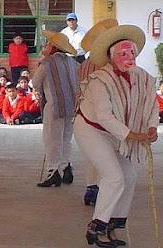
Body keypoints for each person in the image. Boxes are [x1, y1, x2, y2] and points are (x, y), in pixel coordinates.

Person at [74, 24, 158, 247]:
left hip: (119, 134)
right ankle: (96, 227)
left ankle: (112, 225)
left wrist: (151, 128)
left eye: (131, 52)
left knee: (129, 177)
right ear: (111, 58)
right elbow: (103, 115)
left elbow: (150, 105)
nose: (128, 57)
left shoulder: (144, 78)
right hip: (91, 129)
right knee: (114, 176)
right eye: (122, 54)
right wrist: (131, 134)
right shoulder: (99, 80)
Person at [76, 18, 119, 206]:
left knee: (94, 153)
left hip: (86, 111)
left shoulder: (86, 63)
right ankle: (102, 188)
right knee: (107, 152)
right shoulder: (107, 64)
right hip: (104, 111)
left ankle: (92, 187)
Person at [32, 30, 78, 187]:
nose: (46, 46)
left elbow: (36, 81)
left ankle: (53, 171)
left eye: (49, 44)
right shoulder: (73, 63)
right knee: (66, 138)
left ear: (54, 47)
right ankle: (66, 167)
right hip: (72, 106)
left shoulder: (47, 63)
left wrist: (39, 92)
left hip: (54, 105)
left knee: (52, 139)